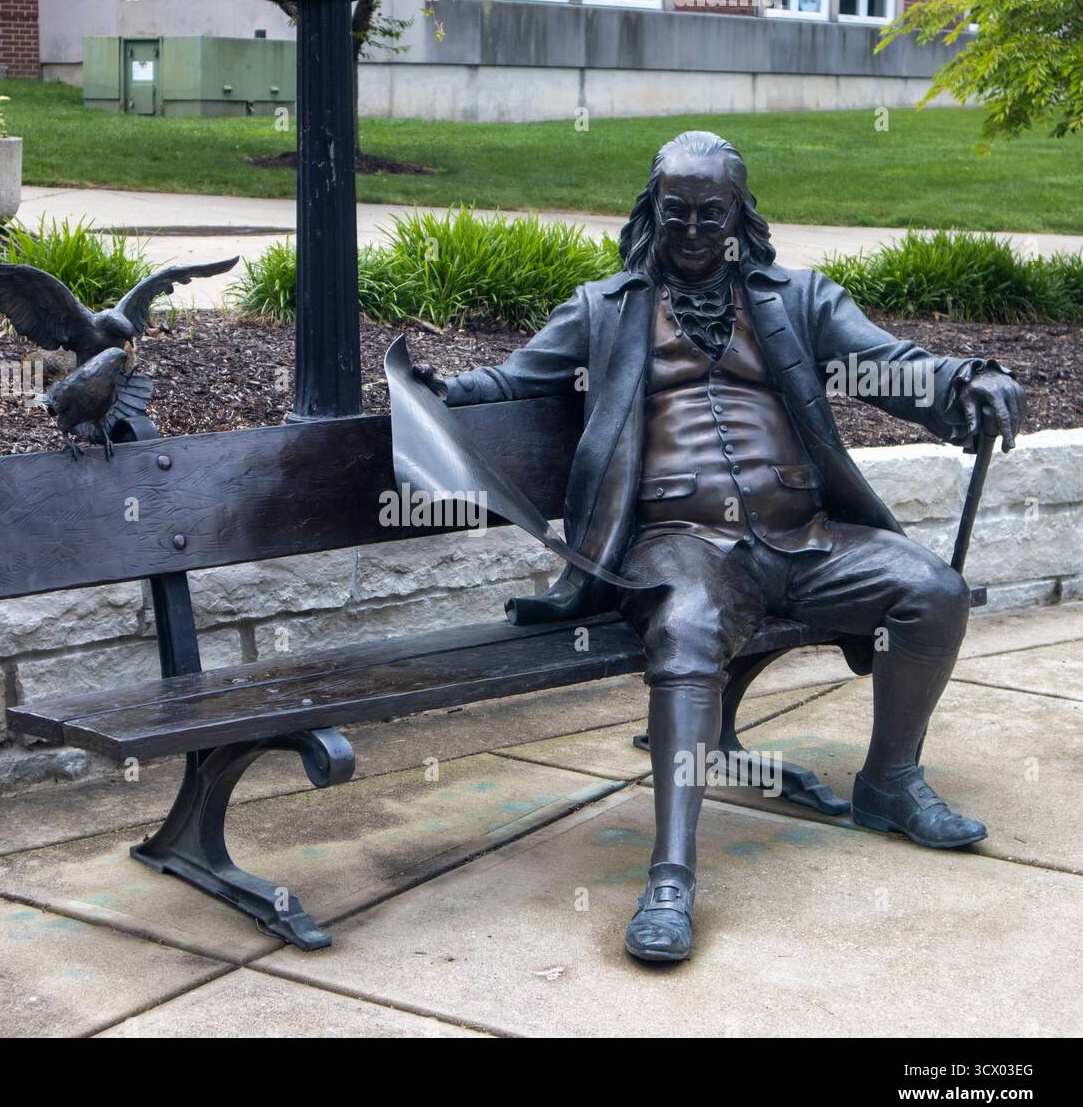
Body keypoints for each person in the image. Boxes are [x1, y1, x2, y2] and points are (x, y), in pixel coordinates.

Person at [425, 131, 1026, 962]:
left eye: (714, 215)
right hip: (679, 543)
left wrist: (967, 378)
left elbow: (893, 365)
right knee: (690, 625)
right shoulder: (606, 307)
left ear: (741, 214)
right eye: (678, 216)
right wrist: (442, 391)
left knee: (933, 591)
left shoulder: (799, 298)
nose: (697, 232)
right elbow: (508, 381)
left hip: (802, 537)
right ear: (652, 213)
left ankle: (889, 780)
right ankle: (671, 873)